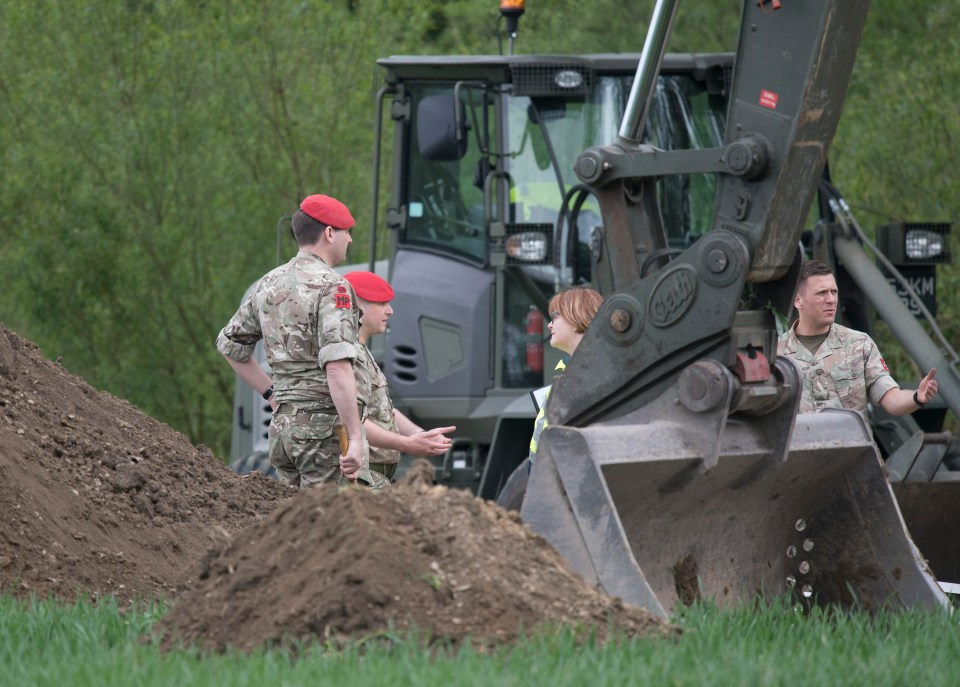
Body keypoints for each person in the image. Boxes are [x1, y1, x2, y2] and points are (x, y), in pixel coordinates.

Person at [216, 194, 381, 488]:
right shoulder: (334, 287)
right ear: (330, 233)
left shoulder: (267, 284)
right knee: (331, 524)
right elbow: (337, 367)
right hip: (323, 433)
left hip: (282, 432)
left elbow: (230, 346)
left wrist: (271, 394)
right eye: (347, 233)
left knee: (296, 523)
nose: (351, 240)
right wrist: (355, 437)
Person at [777, 260, 938, 421]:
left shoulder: (859, 345)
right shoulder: (776, 353)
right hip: (798, 446)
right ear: (798, 300)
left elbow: (890, 398)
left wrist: (917, 397)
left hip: (852, 446)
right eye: (821, 293)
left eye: (834, 292)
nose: (831, 300)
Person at [343, 271, 456, 481]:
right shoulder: (346, 354)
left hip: (373, 474)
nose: (390, 311)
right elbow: (352, 418)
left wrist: (419, 435)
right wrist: (407, 444)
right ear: (357, 304)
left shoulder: (360, 351)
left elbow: (382, 409)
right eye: (382, 303)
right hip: (360, 474)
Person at [527, 287, 604, 461]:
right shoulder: (570, 371)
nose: (549, 324)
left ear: (577, 318)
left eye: (555, 316)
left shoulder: (594, 375)